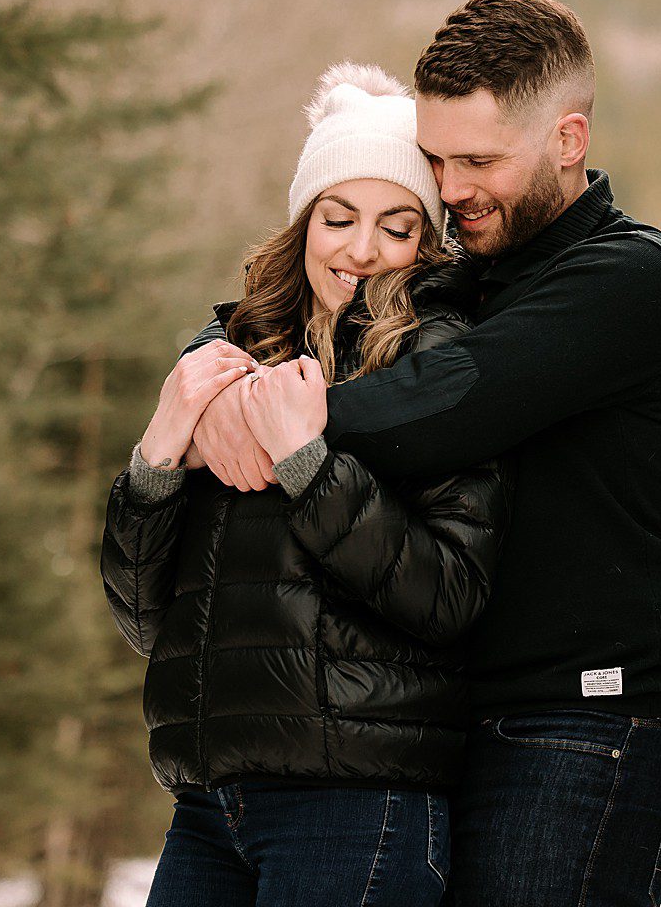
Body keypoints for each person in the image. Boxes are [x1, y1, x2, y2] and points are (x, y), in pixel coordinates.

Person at [187, 0, 661, 905]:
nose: (452, 188)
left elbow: (435, 408)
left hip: (589, 726)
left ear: (568, 140)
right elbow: (306, 314)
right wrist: (209, 383)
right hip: (471, 726)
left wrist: (259, 418)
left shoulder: (631, 280)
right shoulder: (465, 277)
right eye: (436, 159)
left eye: (478, 160)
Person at [100, 64, 509, 906]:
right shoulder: (221, 361)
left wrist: (309, 469)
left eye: (397, 227)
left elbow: (451, 595)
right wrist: (157, 456)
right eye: (338, 218)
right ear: (303, 225)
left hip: (358, 802)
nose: (361, 248)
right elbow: (142, 615)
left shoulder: (439, 366)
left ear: (428, 244)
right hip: (209, 801)